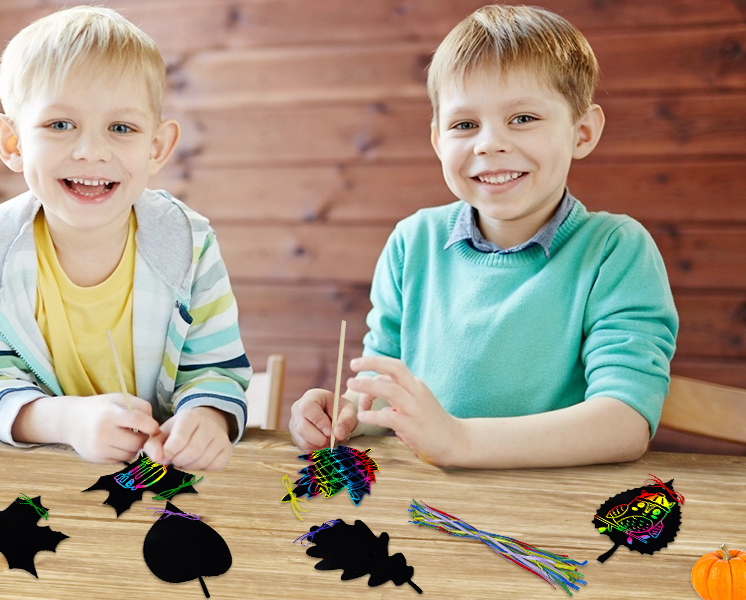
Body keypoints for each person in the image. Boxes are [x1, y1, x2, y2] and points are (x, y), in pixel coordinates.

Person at [289, 5, 678, 469]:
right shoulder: (412, 242)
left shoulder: (616, 250)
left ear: (583, 132)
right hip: (426, 501)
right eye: (465, 124)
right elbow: (380, 389)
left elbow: (625, 424)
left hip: (550, 511)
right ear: (438, 141)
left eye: (523, 118)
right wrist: (346, 414)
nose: (489, 143)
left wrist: (459, 440)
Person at [0, 6, 249, 470]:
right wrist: (68, 422)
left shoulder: (189, 246)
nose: (91, 151)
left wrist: (207, 416)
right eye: (59, 125)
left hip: (162, 485)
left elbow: (215, 371)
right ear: (12, 143)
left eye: (121, 128)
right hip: (36, 484)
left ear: (157, 148)